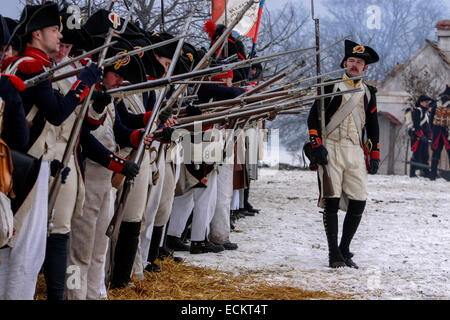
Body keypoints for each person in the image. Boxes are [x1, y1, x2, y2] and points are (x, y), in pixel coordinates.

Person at [0, 2, 102, 300]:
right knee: (23, 247)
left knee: (24, 246)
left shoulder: (37, 65)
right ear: (36, 33)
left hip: (35, 163)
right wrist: (82, 84)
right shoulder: (31, 66)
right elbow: (57, 113)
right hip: (26, 164)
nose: (60, 36)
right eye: (55, 30)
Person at [307, 40, 380, 269]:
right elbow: (312, 119)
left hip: (355, 150)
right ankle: (333, 254)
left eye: (359, 62)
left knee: (359, 200)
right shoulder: (329, 86)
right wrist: (316, 144)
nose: (355, 65)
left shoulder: (368, 92)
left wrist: (375, 152)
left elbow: (374, 125)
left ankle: (344, 248)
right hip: (331, 146)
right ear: (344, 63)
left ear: (365, 68)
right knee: (331, 199)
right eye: (352, 61)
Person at [407, 95, 433, 178]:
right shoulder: (418, 111)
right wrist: (421, 136)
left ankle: (425, 172)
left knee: (425, 155)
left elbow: (427, 125)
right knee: (416, 155)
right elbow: (416, 125)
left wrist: (428, 136)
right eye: (426, 102)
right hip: (418, 137)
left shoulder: (425, 112)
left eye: (428, 102)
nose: (427, 103)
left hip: (424, 138)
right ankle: (412, 172)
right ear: (421, 102)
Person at [429, 84, 450, 180]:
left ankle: (432, 174)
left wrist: (433, 129)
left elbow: (431, 117)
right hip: (447, 131)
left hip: (437, 131)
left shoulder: (436, 104)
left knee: (436, 153)